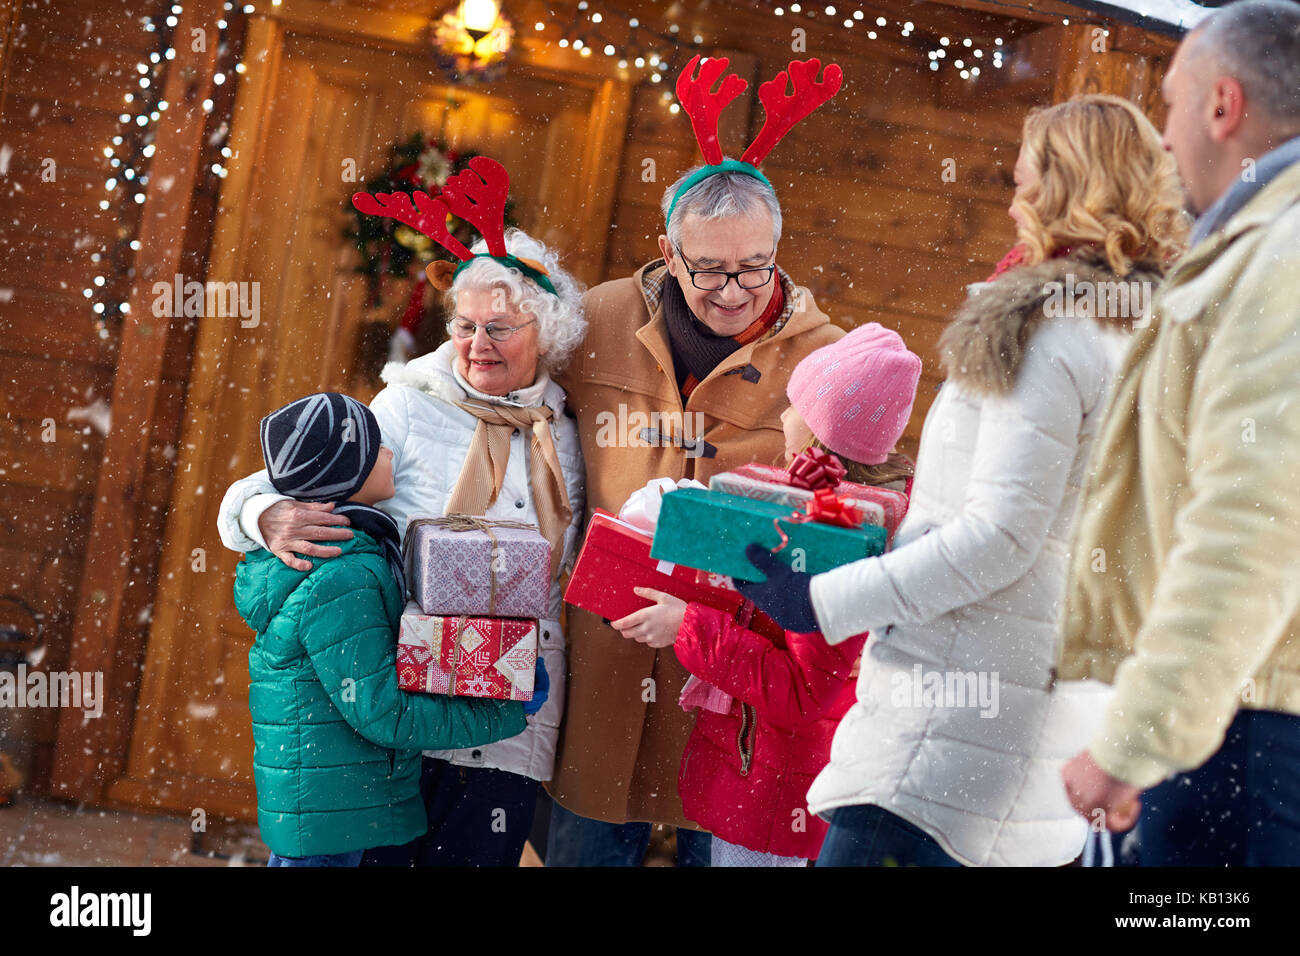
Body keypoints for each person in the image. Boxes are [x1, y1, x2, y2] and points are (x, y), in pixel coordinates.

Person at [736, 94, 1188, 866]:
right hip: (1032, 729)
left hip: (946, 747)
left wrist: (820, 599)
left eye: (1025, 183)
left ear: (1067, 191)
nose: (1013, 204)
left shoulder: (1047, 333)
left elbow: (1002, 536)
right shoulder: (1144, 334)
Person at [544, 56, 847, 867]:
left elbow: (869, 505)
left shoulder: (828, 360)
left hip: (731, 681)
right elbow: (475, 390)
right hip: (603, 655)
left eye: (754, 265)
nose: (732, 289)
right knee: (585, 845)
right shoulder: (597, 318)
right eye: (708, 267)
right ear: (668, 251)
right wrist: (268, 499)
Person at [218, 214, 588, 866]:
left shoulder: (564, 431)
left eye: (498, 328)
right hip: (402, 710)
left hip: (506, 710)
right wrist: (264, 516)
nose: (477, 344)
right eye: (465, 325)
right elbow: (282, 480)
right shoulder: (410, 405)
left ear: (546, 333)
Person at [1058, 0, 1300, 866]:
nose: (1161, 136)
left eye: (1169, 102)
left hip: (1248, 737)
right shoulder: (1254, 241)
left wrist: (1137, 740)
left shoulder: (1284, 254)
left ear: (1223, 107)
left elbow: (1254, 521)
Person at [612, 324, 920, 867]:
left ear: (823, 431)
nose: (782, 416)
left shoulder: (836, 538)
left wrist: (688, 625)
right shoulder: (830, 506)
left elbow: (803, 692)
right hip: (768, 775)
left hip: (779, 796)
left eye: (795, 405)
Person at [233, 392, 528, 867]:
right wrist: (501, 712)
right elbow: (381, 710)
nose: (391, 452)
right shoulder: (342, 574)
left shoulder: (349, 553)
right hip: (330, 809)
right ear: (346, 477)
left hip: (329, 800)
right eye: (376, 449)